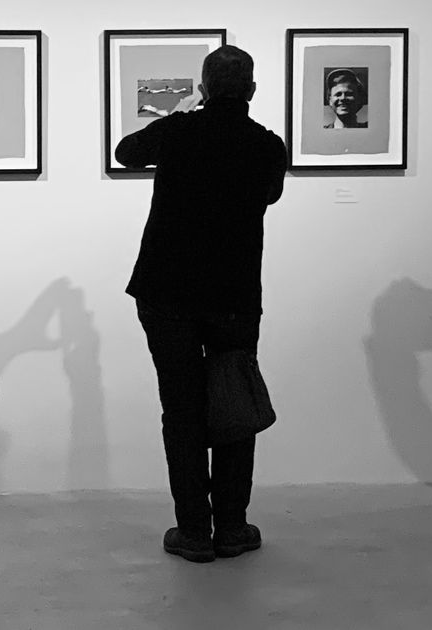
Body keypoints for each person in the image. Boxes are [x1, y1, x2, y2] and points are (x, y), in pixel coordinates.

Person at [115, 45, 287, 563]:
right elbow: (271, 196)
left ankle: (193, 530)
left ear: (205, 88)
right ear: (252, 90)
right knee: (235, 403)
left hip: (167, 291)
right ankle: (231, 527)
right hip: (233, 295)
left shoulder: (177, 131)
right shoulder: (267, 145)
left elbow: (126, 150)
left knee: (182, 410)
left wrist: (186, 113)